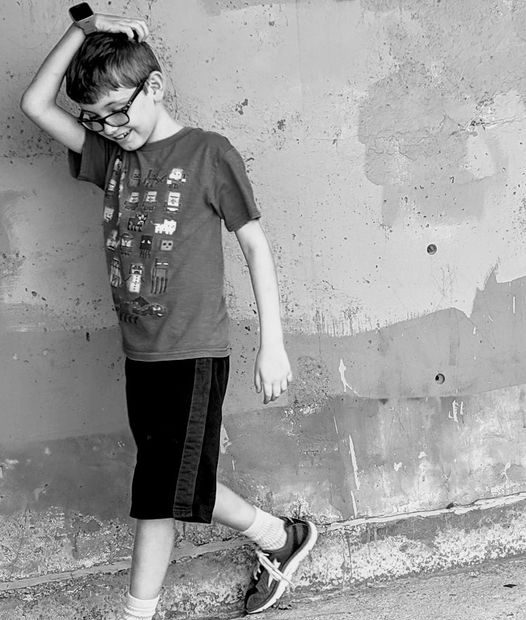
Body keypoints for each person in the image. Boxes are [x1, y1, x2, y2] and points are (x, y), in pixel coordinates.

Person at [20, 7, 317, 619]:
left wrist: (273, 343)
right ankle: (280, 538)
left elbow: (255, 244)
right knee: (180, 485)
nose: (107, 126)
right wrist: (83, 26)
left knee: (157, 498)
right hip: (142, 356)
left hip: (193, 353)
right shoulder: (112, 158)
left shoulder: (209, 153)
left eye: (116, 111)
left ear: (153, 88)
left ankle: (138, 614)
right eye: (94, 118)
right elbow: (35, 104)